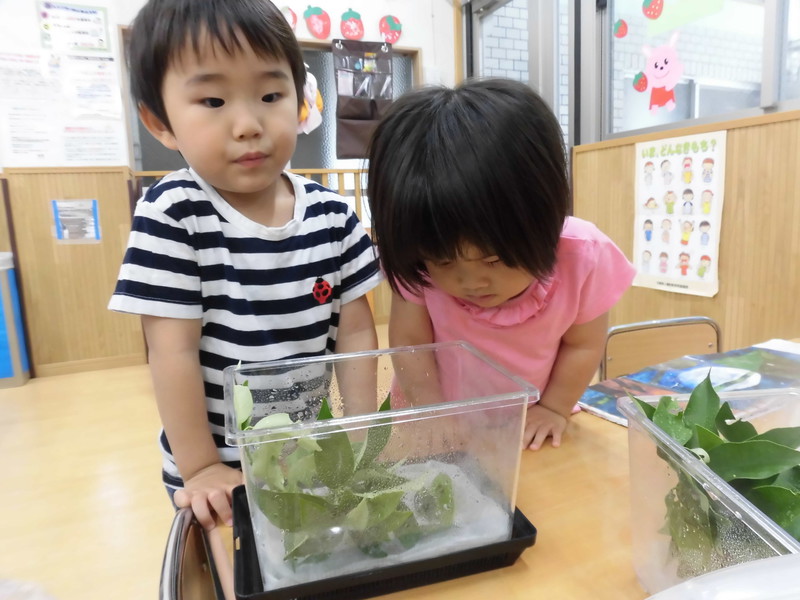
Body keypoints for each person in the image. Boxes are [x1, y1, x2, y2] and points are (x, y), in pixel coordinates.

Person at [109, 0, 381, 530]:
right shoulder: (174, 214)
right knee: (241, 574)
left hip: (309, 449)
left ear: (301, 102)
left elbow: (356, 335)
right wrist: (201, 466)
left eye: (271, 95)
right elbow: (172, 353)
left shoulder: (333, 215)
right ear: (159, 121)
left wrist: (359, 434)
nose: (249, 124)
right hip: (217, 468)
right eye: (213, 100)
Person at [367, 78, 635, 451]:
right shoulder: (418, 252)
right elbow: (411, 343)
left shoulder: (582, 256)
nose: (471, 281)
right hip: (433, 415)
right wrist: (432, 412)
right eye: (444, 262)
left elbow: (583, 346)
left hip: (529, 422)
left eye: (493, 259)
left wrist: (555, 409)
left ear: (543, 219)